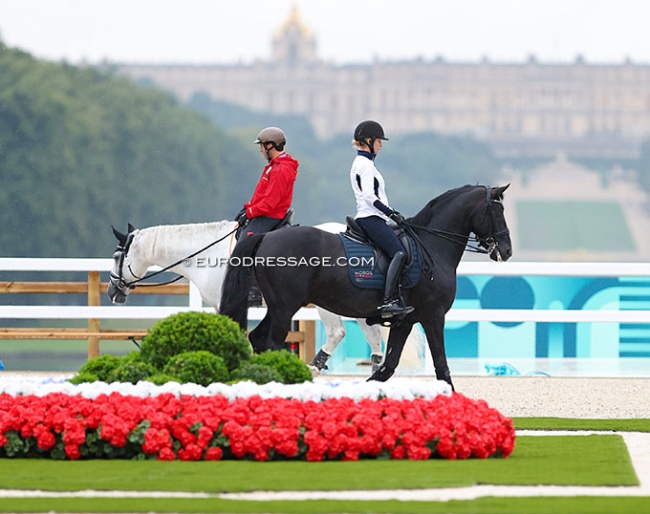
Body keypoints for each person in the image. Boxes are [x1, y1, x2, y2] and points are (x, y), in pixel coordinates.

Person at [350, 120, 414, 319]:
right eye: (378, 141)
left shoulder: (360, 163)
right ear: (368, 141)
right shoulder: (366, 165)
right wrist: (391, 213)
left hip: (369, 216)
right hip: (371, 217)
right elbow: (370, 197)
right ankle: (388, 302)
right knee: (399, 253)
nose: (381, 145)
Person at [234, 126, 299, 304]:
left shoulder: (280, 169)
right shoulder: (273, 167)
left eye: (262, 146)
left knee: (244, 243)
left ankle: (253, 291)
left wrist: (250, 212)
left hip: (271, 215)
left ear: (271, 145)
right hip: (265, 213)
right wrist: (247, 208)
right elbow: (261, 195)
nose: (261, 150)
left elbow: (270, 202)